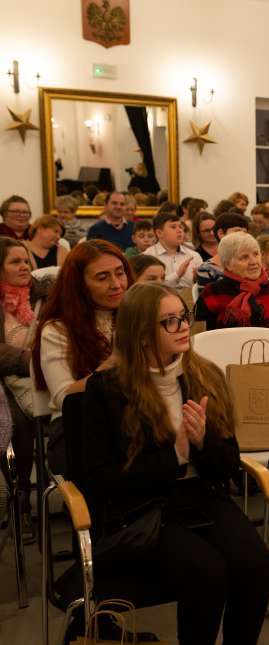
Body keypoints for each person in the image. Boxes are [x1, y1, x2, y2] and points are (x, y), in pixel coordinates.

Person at [81, 281, 269, 645]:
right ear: (141, 333)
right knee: (207, 572)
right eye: (168, 321)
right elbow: (102, 480)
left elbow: (228, 464)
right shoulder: (107, 390)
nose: (184, 327)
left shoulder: (205, 375)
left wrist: (203, 442)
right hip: (142, 508)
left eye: (183, 317)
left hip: (201, 495)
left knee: (257, 565)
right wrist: (176, 455)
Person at [32, 240, 134, 473]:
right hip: (78, 425)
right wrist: (113, 362)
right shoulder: (58, 329)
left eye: (120, 273)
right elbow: (64, 397)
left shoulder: (135, 315)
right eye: (102, 277)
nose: (116, 284)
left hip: (135, 418)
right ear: (79, 285)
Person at [195, 233, 269, 362]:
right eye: (244, 257)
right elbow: (201, 338)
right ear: (228, 264)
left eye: (256, 254)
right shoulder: (212, 293)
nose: (254, 262)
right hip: (230, 365)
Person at [0, 237, 48, 539]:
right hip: (6, 379)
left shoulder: (44, 296)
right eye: (14, 262)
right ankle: (21, 500)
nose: (24, 267)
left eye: (26, 261)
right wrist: (29, 359)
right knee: (16, 423)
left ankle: (56, 493)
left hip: (44, 374)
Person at [145, 213, 203, 289]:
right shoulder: (148, 256)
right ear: (159, 233)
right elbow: (150, 288)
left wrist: (198, 280)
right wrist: (177, 274)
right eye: (173, 227)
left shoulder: (194, 256)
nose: (179, 230)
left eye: (180, 227)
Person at [195, 213, 251, 286]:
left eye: (245, 232)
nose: (242, 236)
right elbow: (207, 293)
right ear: (221, 234)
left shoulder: (251, 263)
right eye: (237, 231)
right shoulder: (207, 269)